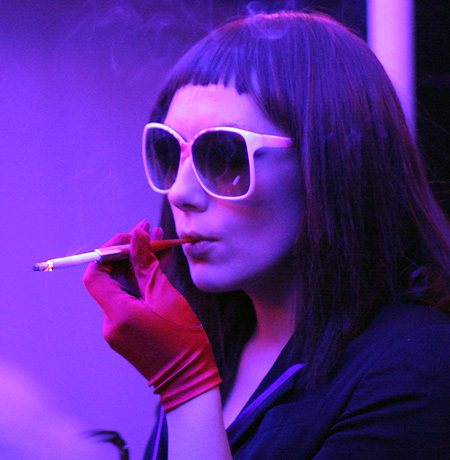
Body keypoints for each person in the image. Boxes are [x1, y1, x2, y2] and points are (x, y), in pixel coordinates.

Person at [83, 11, 450, 460]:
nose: (179, 192)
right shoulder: (221, 342)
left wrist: (185, 384)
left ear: (331, 167)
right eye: (168, 151)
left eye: (224, 155)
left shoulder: (421, 365)